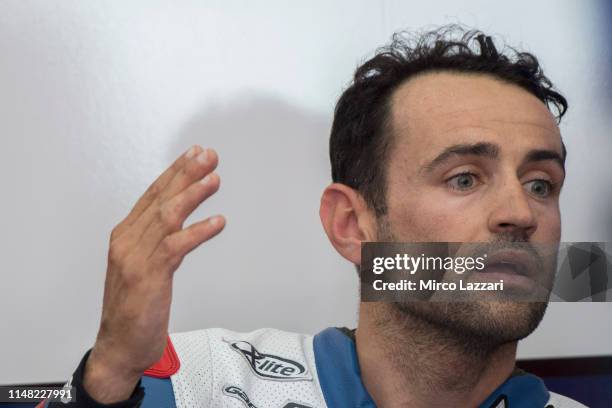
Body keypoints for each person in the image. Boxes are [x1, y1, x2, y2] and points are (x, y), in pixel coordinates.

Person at [41, 25, 586, 407]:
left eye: (541, 184)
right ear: (351, 224)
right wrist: (109, 377)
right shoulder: (194, 383)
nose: (520, 212)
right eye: (464, 178)